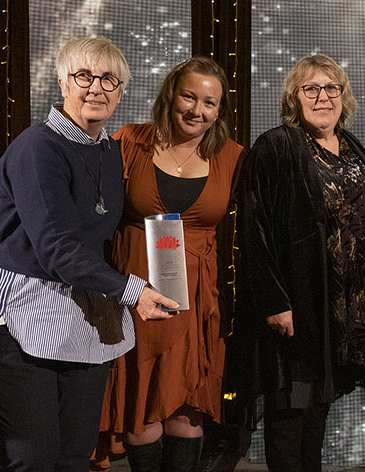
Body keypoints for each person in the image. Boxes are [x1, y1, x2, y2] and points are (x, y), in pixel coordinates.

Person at [0, 36, 177, 471]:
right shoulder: (37, 147)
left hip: (83, 316)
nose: (96, 87)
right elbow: (57, 248)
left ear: (121, 91)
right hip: (18, 317)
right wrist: (134, 291)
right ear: (62, 82)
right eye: (84, 76)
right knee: (35, 458)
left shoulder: (109, 151)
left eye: (109, 79)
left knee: (75, 456)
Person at [236, 54, 365, 472]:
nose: (323, 97)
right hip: (296, 309)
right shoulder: (277, 146)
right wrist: (274, 301)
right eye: (311, 89)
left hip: (340, 317)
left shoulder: (353, 148)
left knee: (316, 419)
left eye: (332, 88)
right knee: (290, 416)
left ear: (344, 96)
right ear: (294, 97)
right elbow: (255, 229)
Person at [92, 56, 243, 472]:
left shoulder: (233, 157)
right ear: (170, 96)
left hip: (193, 299)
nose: (197, 110)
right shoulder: (130, 141)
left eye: (209, 103)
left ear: (220, 111)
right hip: (133, 293)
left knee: (186, 409)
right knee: (140, 406)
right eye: (189, 97)